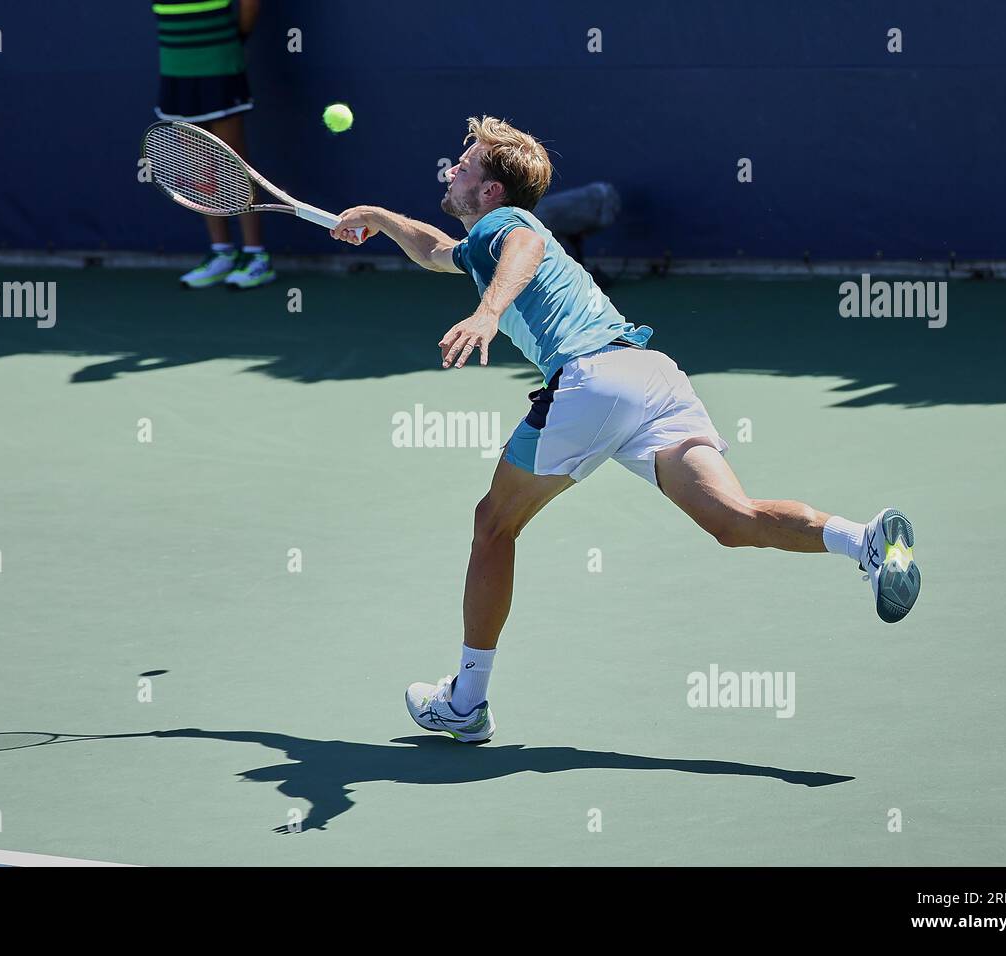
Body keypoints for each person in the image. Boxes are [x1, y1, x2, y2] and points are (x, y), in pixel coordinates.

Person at [330, 116, 921, 744]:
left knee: (493, 524)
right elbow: (436, 252)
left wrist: (488, 311)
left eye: (466, 166)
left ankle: (467, 701)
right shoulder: (486, 239)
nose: (453, 169)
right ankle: (869, 542)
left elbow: (523, 247)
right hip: (652, 377)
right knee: (733, 519)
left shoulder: (513, 229)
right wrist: (379, 217)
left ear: (491, 193)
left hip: (592, 383)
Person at [153, 0, 275, 290]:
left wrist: (235, 39)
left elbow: (250, 3)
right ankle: (222, 251)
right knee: (198, 165)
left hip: (218, 58)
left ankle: (256, 256)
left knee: (236, 163)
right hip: (175, 62)